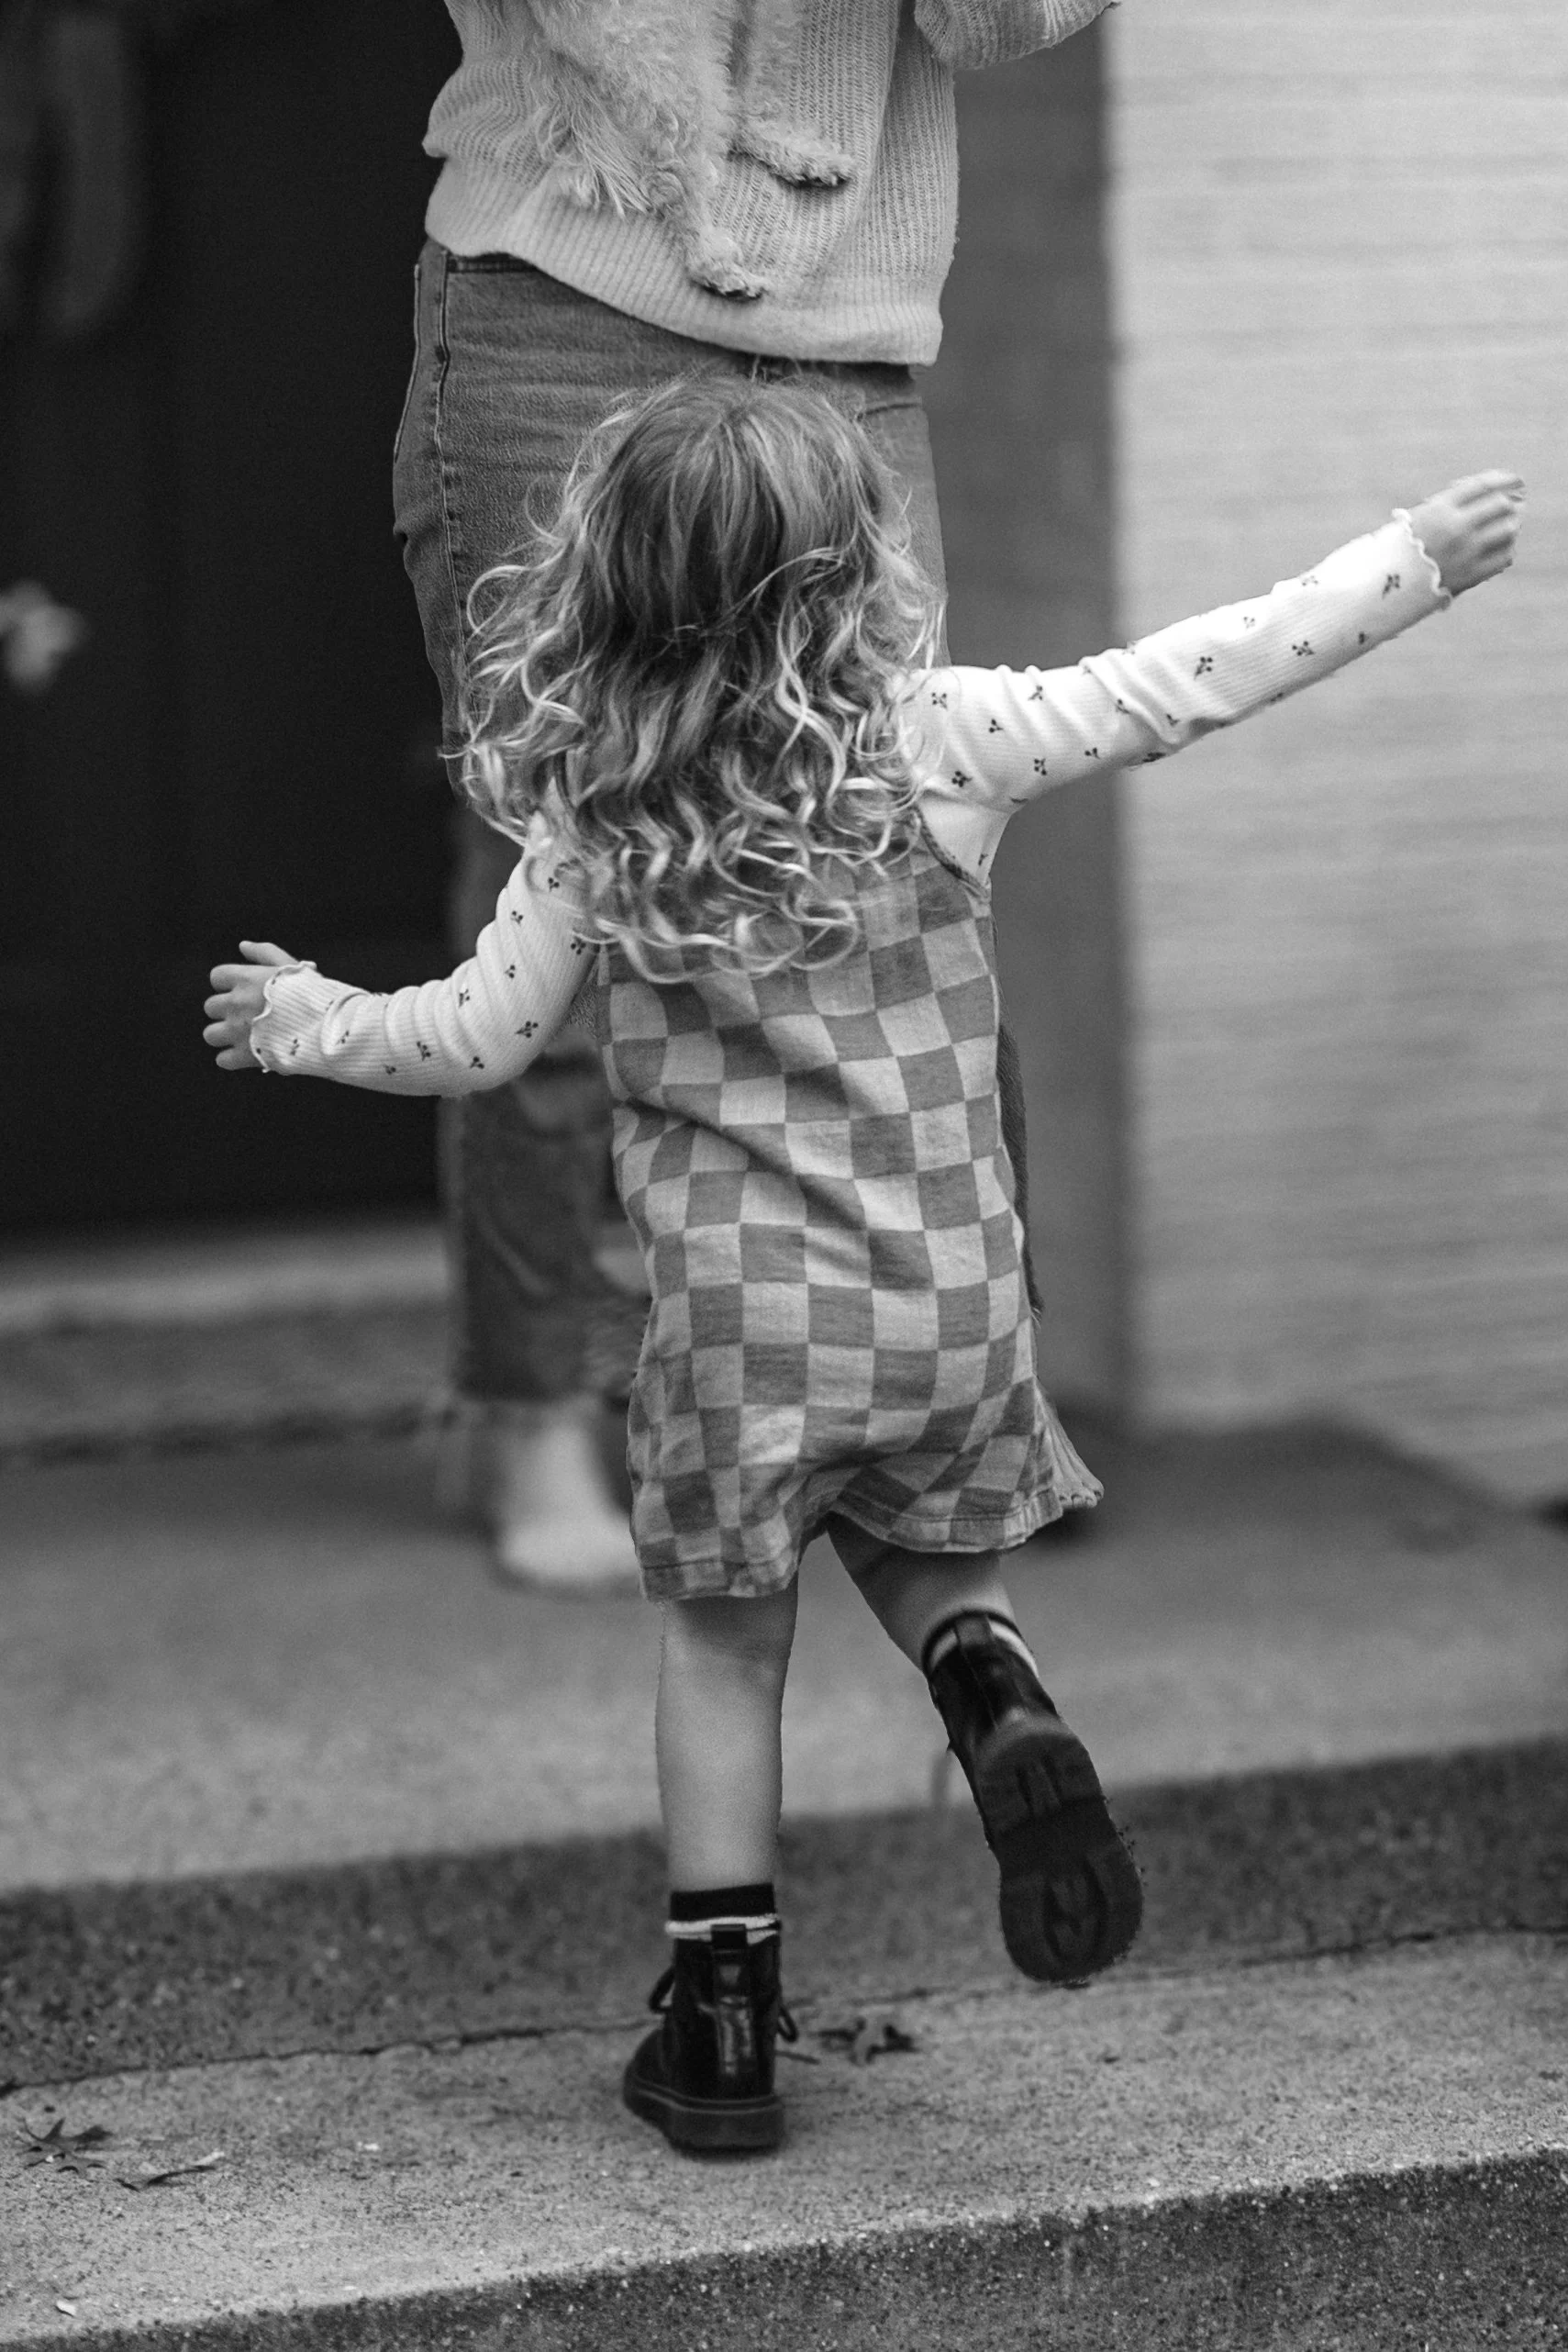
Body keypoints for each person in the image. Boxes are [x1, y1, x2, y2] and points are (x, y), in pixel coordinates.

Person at [205, 382, 1521, 2155]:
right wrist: (1404, 564)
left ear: (603, 585)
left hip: (746, 1333)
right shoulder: (947, 740)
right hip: (950, 1298)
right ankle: (989, 1680)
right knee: (919, 1542)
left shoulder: (597, 819)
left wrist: (301, 1020)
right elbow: (1178, 681)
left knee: (727, 1654)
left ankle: (726, 2033)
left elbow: (471, 1043)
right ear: (852, 573)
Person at [398, 0, 1115, 1588]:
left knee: (891, 882)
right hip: (564, 281)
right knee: (564, 866)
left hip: (845, 335)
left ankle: (945, 1397)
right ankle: (531, 1409)